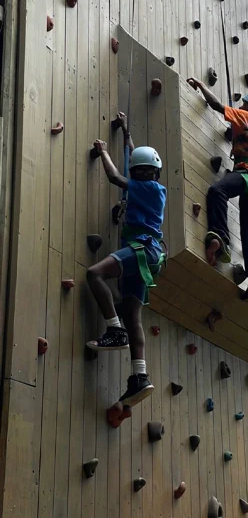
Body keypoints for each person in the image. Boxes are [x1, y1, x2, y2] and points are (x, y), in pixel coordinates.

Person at [86, 112, 167, 407]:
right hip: (149, 255)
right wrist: (126, 130)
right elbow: (136, 160)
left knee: (95, 274)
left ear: (149, 175)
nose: (143, 175)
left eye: (143, 173)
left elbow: (115, 176)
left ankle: (113, 329)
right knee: (134, 315)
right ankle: (139, 377)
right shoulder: (154, 184)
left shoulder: (143, 186)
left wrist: (104, 151)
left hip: (141, 249)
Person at [187, 78, 248, 302]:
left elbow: (217, 106)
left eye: (245, 103)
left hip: (246, 174)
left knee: (217, 191)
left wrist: (201, 86)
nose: (242, 106)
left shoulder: (246, 116)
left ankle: (220, 238)